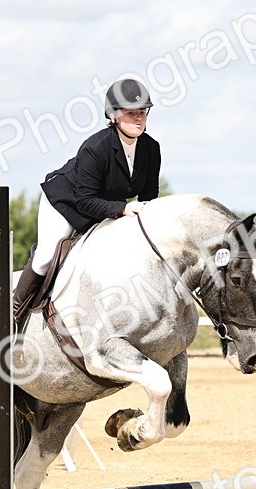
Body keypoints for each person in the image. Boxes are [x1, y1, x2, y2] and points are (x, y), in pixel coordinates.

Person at [12, 77, 162, 322]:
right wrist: (124, 209)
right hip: (66, 203)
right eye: (131, 113)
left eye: (142, 113)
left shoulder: (151, 148)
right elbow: (84, 201)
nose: (138, 118)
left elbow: (149, 198)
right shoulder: (96, 147)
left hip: (107, 207)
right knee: (45, 257)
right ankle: (12, 314)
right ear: (113, 115)